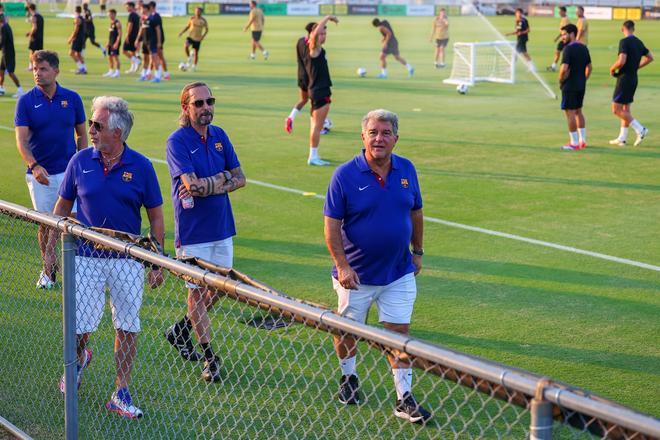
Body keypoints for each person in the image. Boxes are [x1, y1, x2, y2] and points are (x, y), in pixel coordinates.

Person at [53, 96, 165, 420]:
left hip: (127, 259)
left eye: (97, 125)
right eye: (91, 123)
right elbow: (60, 209)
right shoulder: (80, 161)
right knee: (80, 325)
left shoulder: (142, 166)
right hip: (85, 257)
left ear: (118, 133)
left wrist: (156, 262)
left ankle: (121, 391)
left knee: (127, 325)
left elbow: (156, 217)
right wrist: (52, 252)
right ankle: (78, 359)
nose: (91, 129)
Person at [324, 109, 431, 424]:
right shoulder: (344, 175)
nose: (379, 138)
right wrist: (342, 266)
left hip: (398, 273)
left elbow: (416, 213)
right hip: (354, 278)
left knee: (399, 334)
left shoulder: (407, 169)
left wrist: (418, 251)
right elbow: (331, 226)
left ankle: (404, 398)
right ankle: (349, 377)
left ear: (396, 138)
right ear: (363, 137)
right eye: (373, 132)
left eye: (386, 133)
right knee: (346, 332)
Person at [164, 82, 246, 382]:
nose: (205, 107)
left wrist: (213, 182)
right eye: (198, 103)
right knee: (197, 295)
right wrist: (222, 180)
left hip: (222, 227)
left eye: (209, 101)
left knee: (220, 287)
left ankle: (181, 330)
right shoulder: (178, 142)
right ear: (186, 107)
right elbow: (191, 187)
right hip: (193, 232)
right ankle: (210, 357)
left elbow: (241, 178)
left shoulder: (220, 135)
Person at [14, 50, 87, 288]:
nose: (37, 73)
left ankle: (77, 268)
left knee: (73, 220)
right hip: (40, 174)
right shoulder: (25, 101)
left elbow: (82, 134)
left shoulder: (73, 98)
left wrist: (82, 162)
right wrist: (33, 166)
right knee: (46, 224)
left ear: (56, 70)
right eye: (35, 69)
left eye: (43, 68)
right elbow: (21, 141)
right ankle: (48, 270)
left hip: (69, 171)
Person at [608, 21, 653, 147]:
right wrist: (636, 67)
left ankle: (640, 129)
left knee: (616, 109)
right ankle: (622, 138)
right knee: (625, 109)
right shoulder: (639, 42)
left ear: (623, 29)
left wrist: (612, 68)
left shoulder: (624, 42)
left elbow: (621, 61)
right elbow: (650, 57)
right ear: (633, 29)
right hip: (633, 78)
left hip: (624, 79)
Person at [284, 21, 331, 136]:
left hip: (301, 76)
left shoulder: (300, 42)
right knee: (316, 102)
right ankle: (321, 125)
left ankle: (291, 117)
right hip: (311, 77)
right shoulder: (312, 46)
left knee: (303, 100)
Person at [304, 15, 338, 166]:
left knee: (316, 125)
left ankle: (314, 154)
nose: (323, 36)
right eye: (321, 33)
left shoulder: (319, 50)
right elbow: (316, 33)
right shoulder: (314, 49)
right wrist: (328, 17)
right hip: (320, 92)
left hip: (318, 91)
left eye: (325, 33)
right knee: (318, 126)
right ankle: (313, 156)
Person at [558, 24, 591, 151]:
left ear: (572, 34)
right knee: (578, 112)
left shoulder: (568, 49)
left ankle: (574, 143)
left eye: (564, 34)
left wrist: (560, 80)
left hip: (569, 85)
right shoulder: (584, 47)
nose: (563, 37)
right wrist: (584, 79)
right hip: (581, 85)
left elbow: (564, 69)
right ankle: (582, 141)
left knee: (570, 113)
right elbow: (590, 67)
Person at [0, 14, 24, 97]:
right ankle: (1, 88)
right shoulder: (6, 26)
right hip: (5, 53)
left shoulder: (3, 28)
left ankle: (20, 90)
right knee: (1, 71)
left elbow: (2, 41)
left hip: (8, 53)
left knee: (10, 73)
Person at [178, 6, 207, 72]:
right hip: (190, 37)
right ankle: (189, 57)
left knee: (196, 53)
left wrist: (203, 36)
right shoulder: (192, 18)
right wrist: (181, 32)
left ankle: (194, 66)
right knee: (186, 46)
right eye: (196, 11)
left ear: (201, 12)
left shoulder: (203, 20)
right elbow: (188, 26)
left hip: (198, 39)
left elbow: (206, 29)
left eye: (198, 11)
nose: (197, 12)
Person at [149, 2, 170, 80]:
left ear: (152, 7)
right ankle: (151, 73)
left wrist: (159, 42)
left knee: (159, 57)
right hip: (153, 40)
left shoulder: (156, 16)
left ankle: (165, 74)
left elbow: (158, 30)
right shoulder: (151, 16)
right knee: (154, 57)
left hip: (158, 40)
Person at [547, 6, 569, 72]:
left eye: (560, 12)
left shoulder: (566, 20)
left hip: (565, 40)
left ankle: (564, 67)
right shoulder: (563, 19)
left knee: (564, 54)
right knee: (558, 52)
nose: (559, 13)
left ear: (564, 12)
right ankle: (553, 66)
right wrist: (557, 38)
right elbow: (562, 31)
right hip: (563, 39)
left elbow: (566, 31)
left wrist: (562, 38)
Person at [122, 1, 141, 73]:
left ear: (131, 7)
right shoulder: (137, 15)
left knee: (124, 51)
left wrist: (127, 35)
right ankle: (132, 68)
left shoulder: (131, 15)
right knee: (132, 52)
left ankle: (137, 61)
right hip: (136, 36)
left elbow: (130, 26)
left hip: (131, 36)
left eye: (127, 7)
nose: (126, 8)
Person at [102, 9, 122, 78]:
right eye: (109, 14)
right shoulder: (111, 23)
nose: (109, 15)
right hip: (111, 42)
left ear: (114, 14)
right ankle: (110, 71)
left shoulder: (117, 23)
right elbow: (110, 34)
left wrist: (117, 43)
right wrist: (108, 43)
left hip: (115, 42)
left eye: (110, 14)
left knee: (115, 57)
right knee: (110, 57)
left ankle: (117, 72)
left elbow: (120, 34)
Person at [68, 6, 87, 74]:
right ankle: (84, 68)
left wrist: (71, 38)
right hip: (81, 38)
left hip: (77, 39)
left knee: (71, 53)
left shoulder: (77, 19)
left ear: (75, 11)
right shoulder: (82, 18)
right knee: (78, 54)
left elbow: (76, 30)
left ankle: (81, 68)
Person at [25, 3, 44, 71]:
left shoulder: (33, 17)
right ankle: (40, 66)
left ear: (30, 9)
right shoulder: (41, 16)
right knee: (39, 53)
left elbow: (34, 28)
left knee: (32, 52)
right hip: (40, 37)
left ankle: (31, 67)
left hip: (34, 38)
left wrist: (30, 34)